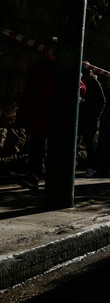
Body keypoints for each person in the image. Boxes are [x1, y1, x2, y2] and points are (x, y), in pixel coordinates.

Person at [17, 38, 56, 191]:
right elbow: (28, 92)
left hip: (55, 117)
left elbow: (81, 87)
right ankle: (33, 175)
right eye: (50, 50)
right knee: (36, 147)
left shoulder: (64, 70)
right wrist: (23, 113)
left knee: (54, 149)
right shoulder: (38, 69)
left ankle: (51, 178)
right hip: (39, 114)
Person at [78, 64, 105, 177]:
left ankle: (90, 167)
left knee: (89, 143)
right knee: (76, 141)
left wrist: (95, 115)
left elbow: (102, 101)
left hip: (89, 118)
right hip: (80, 117)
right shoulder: (80, 80)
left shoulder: (94, 83)